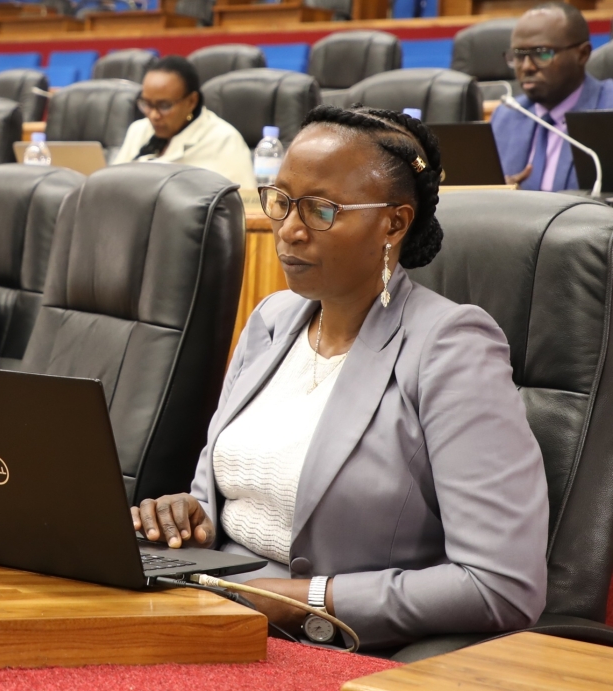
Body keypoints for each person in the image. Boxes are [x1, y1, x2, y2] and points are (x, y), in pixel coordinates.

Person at [133, 105, 548, 654]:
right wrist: (191, 517)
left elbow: (502, 585)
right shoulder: (271, 320)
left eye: (322, 211)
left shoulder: (451, 346)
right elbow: (231, 494)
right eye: (280, 202)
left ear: (394, 223)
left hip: (332, 646)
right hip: (211, 612)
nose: (289, 230)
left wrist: (310, 597)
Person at [492, 2, 613, 191]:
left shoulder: (608, 108)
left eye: (542, 54)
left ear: (582, 54)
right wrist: (497, 194)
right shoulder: (506, 117)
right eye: (518, 55)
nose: (526, 67)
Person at [111, 55, 256, 188]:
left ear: (191, 101)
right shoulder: (139, 130)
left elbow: (245, 206)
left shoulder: (224, 140)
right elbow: (111, 185)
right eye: (146, 104)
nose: (153, 115)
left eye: (164, 106)